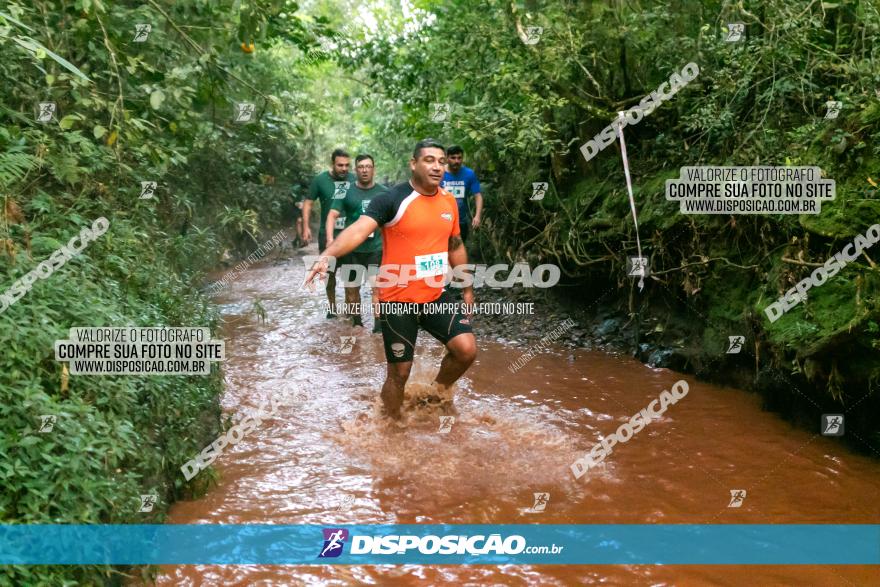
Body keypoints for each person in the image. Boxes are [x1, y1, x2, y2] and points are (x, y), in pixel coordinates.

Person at [304, 139, 477, 420]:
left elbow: (454, 244)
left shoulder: (448, 201)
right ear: (413, 164)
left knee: (466, 350)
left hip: (434, 295)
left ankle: (435, 395)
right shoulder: (392, 199)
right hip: (397, 300)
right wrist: (327, 255)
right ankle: (390, 425)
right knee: (400, 372)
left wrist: (467, 286)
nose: (437, 167)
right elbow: (359, 229)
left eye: (441, 162)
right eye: (429, 160)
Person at [326, 154, 386, 332]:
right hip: (352, 250)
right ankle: (357, 323)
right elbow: (332, 215)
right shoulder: (345, 190)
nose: (365, 170)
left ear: (373, 169)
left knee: (378, 289)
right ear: (356, 170)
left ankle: (378, 327)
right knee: (352, 290)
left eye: (368, 166)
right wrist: (330, 239)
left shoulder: (383, 192)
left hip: (376, 248)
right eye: (361, 167)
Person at [303, 149, 355, 318]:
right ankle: (332, 308)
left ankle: (349, 308)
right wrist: (305, 227)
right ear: (332, 164)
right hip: (327, 235)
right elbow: (308, 203)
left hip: (350, 235)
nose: (344, 168)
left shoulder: (354, 180)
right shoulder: (320, 180)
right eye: (340, 165)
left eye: (347, 165)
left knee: (350, 273)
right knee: (328, 272)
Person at [441, 145, 483, 242]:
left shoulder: (469, 174)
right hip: (441, 219)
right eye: (453, 158)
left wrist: (477, 216)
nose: (457, 161)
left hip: (461, 220)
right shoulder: (440, 172)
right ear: (447, 158)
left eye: (459, 158)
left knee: (458, 250)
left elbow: (478, 195)